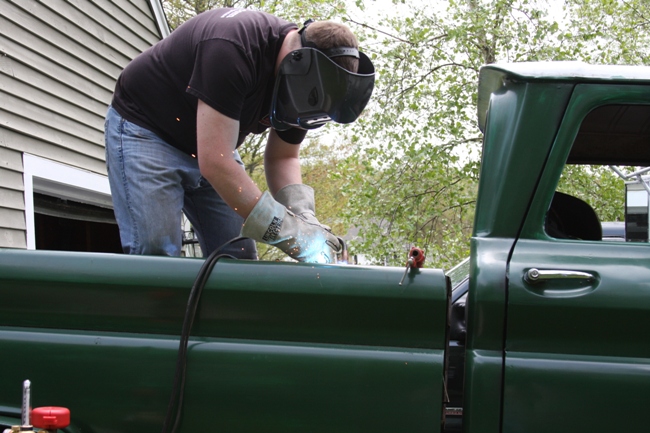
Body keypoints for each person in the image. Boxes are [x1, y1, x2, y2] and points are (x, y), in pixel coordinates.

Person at [104, 7, 374, 263]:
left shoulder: (311, 89)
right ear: (299, 61)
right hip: (147, 129)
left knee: (238, 255)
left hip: (213, 143)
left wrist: (305, 220)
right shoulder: (233, 47)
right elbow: (216, 163)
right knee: (157, 253)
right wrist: (288, 232)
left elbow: (283, 158)